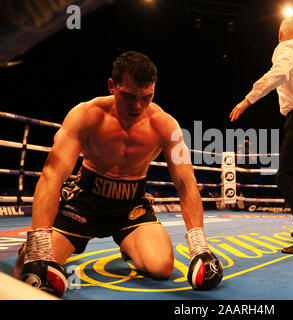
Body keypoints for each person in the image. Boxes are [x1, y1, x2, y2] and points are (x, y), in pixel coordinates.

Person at [14, 51, 222, 297]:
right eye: (128, 96)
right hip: (82, 205)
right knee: (27, 272)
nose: (137, 106)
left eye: (146, 97)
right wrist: (39, 245)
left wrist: (199, 245)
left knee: (162, 268)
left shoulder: (165, 125)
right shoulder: (86, 115)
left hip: (130, 208)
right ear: (112, 86)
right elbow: (52, 174)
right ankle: (48, 245)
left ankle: (128, 245)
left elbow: (186, 182)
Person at [230, 19, 293, 254]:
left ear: (280, 35)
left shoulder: (286, 47)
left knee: (286, 176)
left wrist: (248, 99)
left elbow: (278, 73)